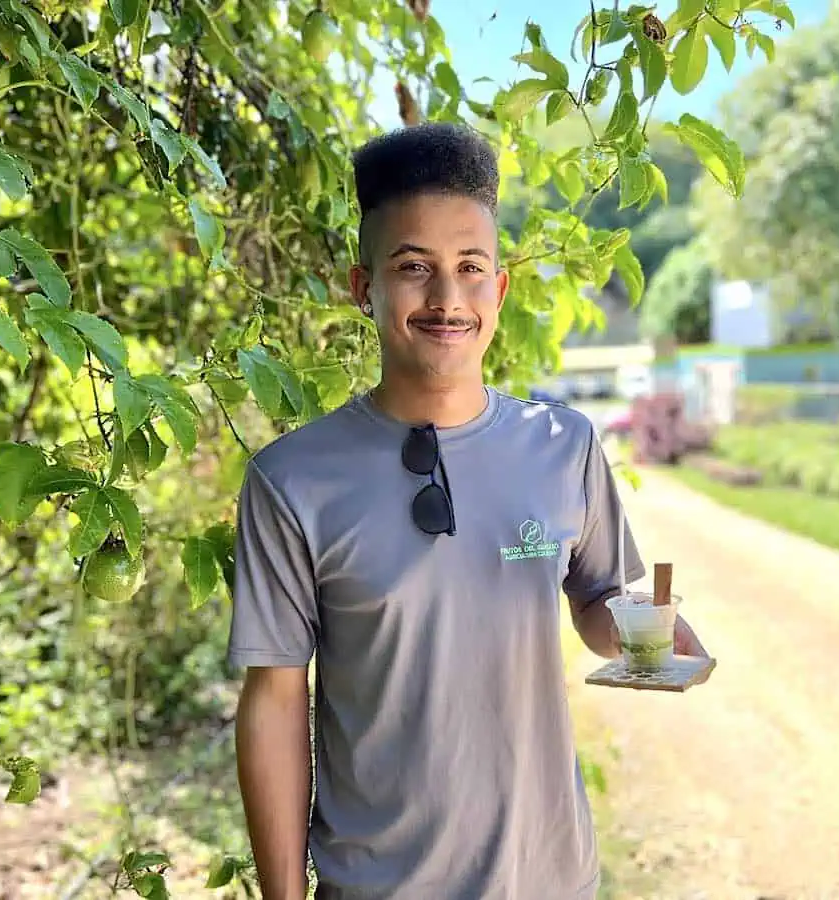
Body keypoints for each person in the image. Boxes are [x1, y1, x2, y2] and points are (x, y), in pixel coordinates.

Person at [227, 121, 709, 900]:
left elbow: (596, 594)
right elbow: (277, 699)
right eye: (413, 267)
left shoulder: (565, 444)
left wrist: (643, 630)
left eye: (470, 268)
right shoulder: (292, 481)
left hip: (548, 879)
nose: (447, 298)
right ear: (364, 288)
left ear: (499, 287)